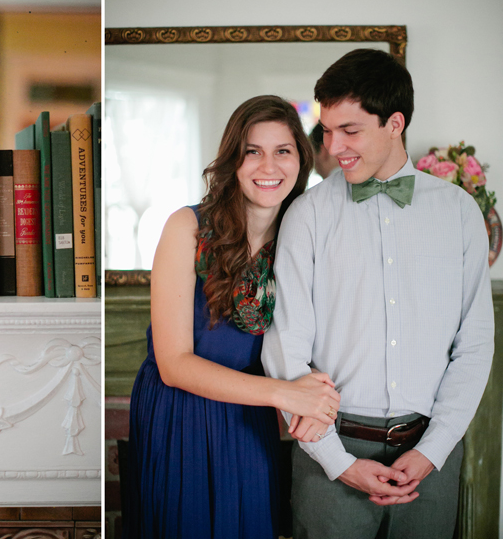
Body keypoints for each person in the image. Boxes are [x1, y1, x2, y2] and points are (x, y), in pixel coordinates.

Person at [261, 49, 494, 539]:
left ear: (395, 123)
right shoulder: (307, 215)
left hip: (432, 456)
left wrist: (433, 450)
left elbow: (473, 346)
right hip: (328, 457)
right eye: (326, 130)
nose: (333, 145)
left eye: (350, 130)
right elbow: (285, 350)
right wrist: (337, 461)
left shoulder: (458, 213)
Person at [122, 95, 341, 539]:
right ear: (232, 160)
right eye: (252, 151)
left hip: (249, 420)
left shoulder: (305, 239)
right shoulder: (187, 228)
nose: (269, 166)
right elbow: (174, 363)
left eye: (283, 151)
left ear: (301, 160)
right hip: (180, 414)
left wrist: (315, 399)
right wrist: (288, 395)